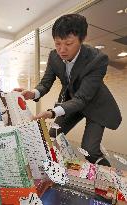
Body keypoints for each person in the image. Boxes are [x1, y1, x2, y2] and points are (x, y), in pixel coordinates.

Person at [14, 14, 122, 166]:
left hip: (94, 105)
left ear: (81, 39)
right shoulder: (54, 56)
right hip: (71, 104)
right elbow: (45, 83)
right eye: (57, 44)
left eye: (69, 44)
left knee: (90, 150)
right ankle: (53, 172)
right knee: (51, 137)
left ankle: (110, 181)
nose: (62, 50)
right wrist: (33, 93)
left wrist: (52, 112)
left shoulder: (97, 59)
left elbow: (83, 99)